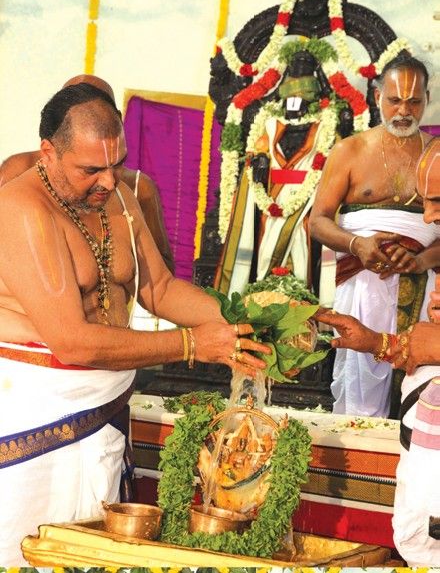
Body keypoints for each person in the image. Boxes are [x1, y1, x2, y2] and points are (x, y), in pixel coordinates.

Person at [0, 83, 270, 565]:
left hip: (105, 401)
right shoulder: (23, 207)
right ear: (49, 152)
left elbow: (160, 289)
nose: (108, 181)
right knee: (29, 552)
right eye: (91, 170)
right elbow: (72, 342)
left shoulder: (120, 198)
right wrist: (191, 345)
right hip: (40, 409)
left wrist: (253, 324)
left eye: (117, 163)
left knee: (94, 554)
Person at [316, 136, 440, 567]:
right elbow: (423, 348)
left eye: (436, 203)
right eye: (425, 204)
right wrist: (372, 341)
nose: (426, 218)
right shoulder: (351, 151)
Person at [309, 56, 438, 418]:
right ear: (377, 95)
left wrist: (421, 259)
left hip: (424, 289)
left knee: (421, 386)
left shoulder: (438, 155)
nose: (404, 110)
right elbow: (317, 222)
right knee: (359, 394)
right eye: (395, 99)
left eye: (414, 101)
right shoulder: (349, 151)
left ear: (427, 99)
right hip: (362, 288)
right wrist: (358, 245)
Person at [214, 47, 350, 305]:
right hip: (271, 201)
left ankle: (299, 302)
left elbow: (338, 159)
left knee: (302, 249)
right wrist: (261, 158)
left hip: (307, 205)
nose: (295, 102)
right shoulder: (270, 122)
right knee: (266, 249)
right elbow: (259, 149)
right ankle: (264, 299)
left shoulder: (326, 123)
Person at [0, 74, 175, 273]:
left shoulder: (136, 188)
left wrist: (121, 262)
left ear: (115, 117)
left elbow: (162, 276)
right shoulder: (19, 169)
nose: (109, 182)